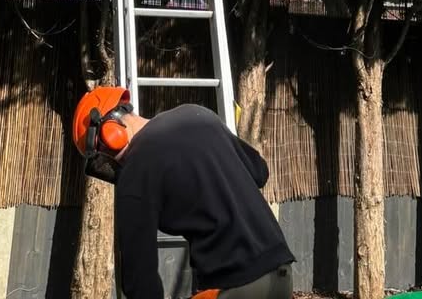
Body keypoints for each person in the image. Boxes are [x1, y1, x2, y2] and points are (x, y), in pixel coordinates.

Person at [72, 86, 294, 299]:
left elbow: (139, 278)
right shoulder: (197, 115)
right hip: (281, 275)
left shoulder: (135, 170)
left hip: (235, 285)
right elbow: (260, 172)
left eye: (101, 155)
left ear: (110, 133)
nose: (108, 164)